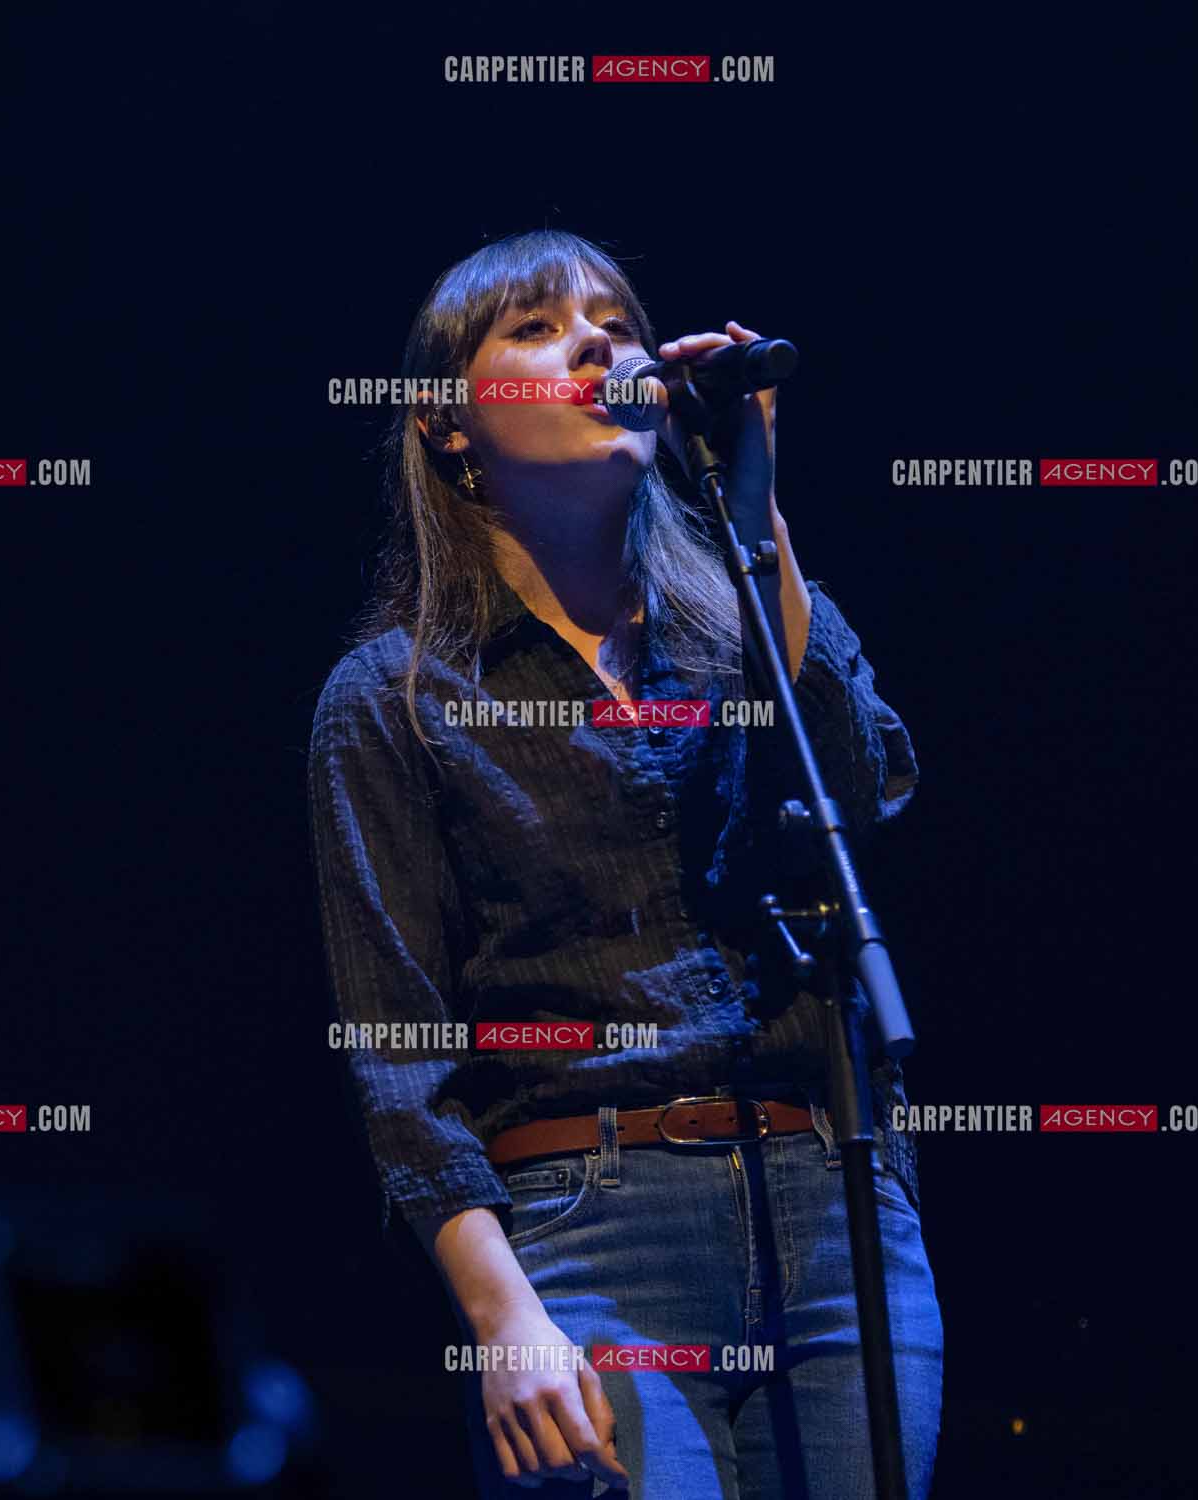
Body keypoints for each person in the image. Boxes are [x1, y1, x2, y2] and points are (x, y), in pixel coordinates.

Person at [307, 229, 941, 1497]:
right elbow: (396, 1056)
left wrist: (753, 503)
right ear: (447, 426)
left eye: (613, 317)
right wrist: (503, 1319)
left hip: (827, 1200)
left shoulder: (738, 622)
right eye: (538, 328)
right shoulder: (395, 698)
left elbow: (858, 787)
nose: (599, 340)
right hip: (586, 1231)